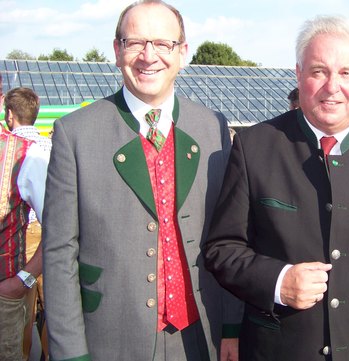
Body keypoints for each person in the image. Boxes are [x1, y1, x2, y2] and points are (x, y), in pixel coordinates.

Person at [204, 15, 349, 361]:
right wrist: (279, 281)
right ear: (298, 74)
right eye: (319, 71)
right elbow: (223, 248)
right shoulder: (254, 146)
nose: (332, 86)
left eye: (346, 74)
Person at [42, 1, 242, 360]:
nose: (148, 56)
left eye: (163, 44)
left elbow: (227, 235)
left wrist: (231, 327)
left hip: (201, 335)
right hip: (112, 339)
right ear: (117, 51)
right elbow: (59, 255)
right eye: (134, 43)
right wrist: (71, 353)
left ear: (182, 53)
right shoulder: (74, 134)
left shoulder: (213, 127)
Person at [0, 77, 50, 360]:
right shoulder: (45, 145)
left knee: (27, 324)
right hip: (28, 245)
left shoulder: (27, 151)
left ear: (8, 112)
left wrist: (22, 280)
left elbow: (55, 222)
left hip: (28, 244)